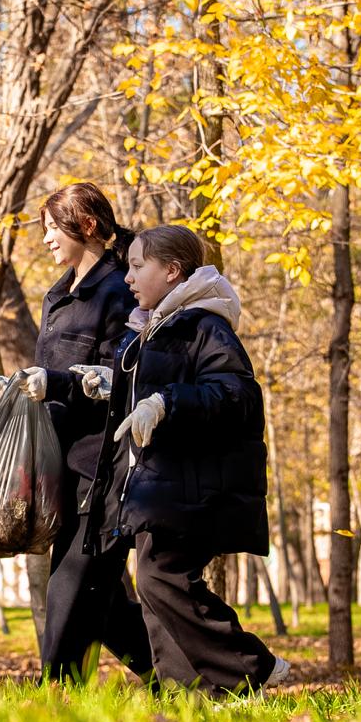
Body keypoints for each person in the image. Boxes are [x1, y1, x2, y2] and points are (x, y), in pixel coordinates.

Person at [80, 224, 289, 695]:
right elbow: (155, 384)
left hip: (193, 488)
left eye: (137, 267)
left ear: (173, 271)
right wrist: (112, 384)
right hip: (158, 487)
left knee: (160, 579)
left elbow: (233, 393)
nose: (128, 278)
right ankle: (188, 693)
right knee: (153, 591)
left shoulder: (204, 325)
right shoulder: (153, 330)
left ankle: (250, 664)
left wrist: (166, 402)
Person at [0, 182, 153, 683]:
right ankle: (175, 675)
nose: (44, 240)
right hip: (59, 466)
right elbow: (51, 374)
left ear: (86, 226)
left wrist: (56, 381)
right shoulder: (57, 297)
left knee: (73, 582)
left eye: (51, 228)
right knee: (102, 598)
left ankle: (58, 694)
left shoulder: (121, 290)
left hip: (106, 466)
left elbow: (123, 375)